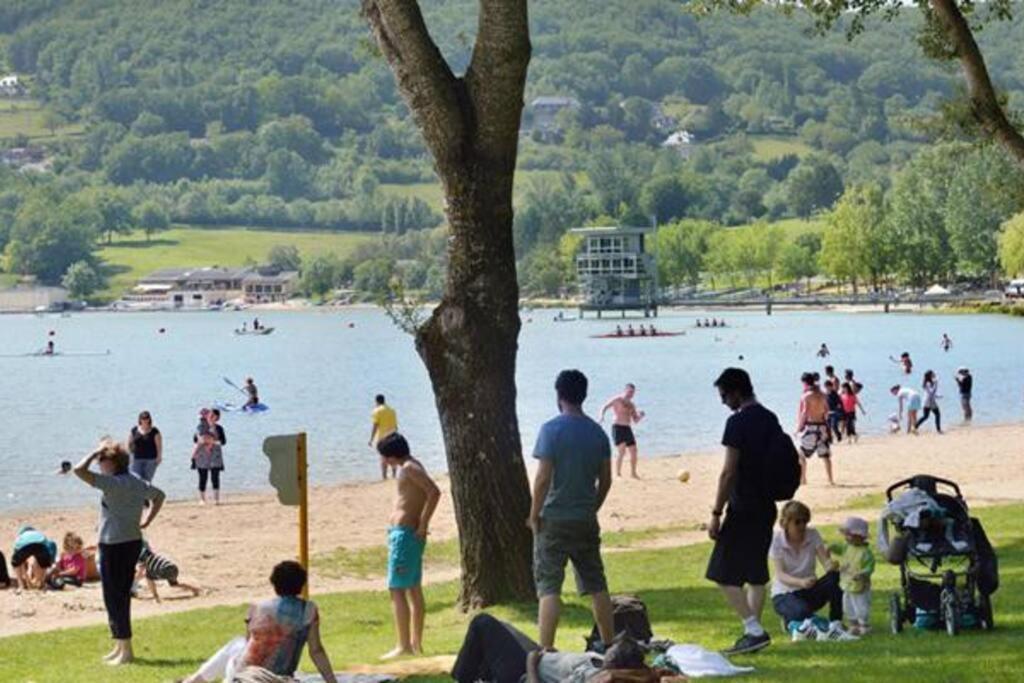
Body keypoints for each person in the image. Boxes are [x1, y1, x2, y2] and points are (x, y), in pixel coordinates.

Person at [529, 369, 614, 651]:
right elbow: (606, 479)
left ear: (559, 395)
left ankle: (546, 650)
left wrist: (533, 514)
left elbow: (542, 479)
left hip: (553, 517)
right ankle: (609, 643)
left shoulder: (551, 430)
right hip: (585, 518)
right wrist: (593, 506)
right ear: (583, 395)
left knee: (549, 586)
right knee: (596, 583)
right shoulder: (597, 432)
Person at [706, 368, 780, 655]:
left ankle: (754, 629)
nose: (723, 401)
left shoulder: (736, 423)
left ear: (737, 391)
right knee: (756, 574)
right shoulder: (769, 418)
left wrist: (716, 512)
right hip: (766, 505)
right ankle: (754, 635)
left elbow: (728, 472)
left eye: (724, 395)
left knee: (722, 572)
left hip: (743, 506)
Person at [73, 440, 165, 665]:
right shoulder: (135, 480)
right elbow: (159, 495)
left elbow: (78, 470)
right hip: (133, 541)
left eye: (102, 461)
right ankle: (120, 646)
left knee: (114, 597)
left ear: (112, 463)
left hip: (113, 545)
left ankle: (127, 651)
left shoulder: (111, 483)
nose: (99, 465)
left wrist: (94, 451)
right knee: (119, 596)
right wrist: (146, 521)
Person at [182, 561, 338, 683]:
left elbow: (248, 643)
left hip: (245, 676)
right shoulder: (308, 610)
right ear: (301, 585)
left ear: (274, 583)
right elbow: (316, 650)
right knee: (237, 646)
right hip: (278, 678)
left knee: (237, 645)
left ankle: (195, 680)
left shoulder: (256, 608)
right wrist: (332, 681)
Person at [377, 433, 441, 659]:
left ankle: (404, 645)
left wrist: (423, 525)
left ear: (391, 455)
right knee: (412, 588)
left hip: (406, 536)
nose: (383, 461)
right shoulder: (408, 466)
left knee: (397, 589)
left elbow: (434, 492)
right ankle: (414, 645)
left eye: (384, 456)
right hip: (402, 534)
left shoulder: (410, 467)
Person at [770, 501, 854, 642]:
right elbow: (780, 574)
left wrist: (831, 564)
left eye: (805, 521)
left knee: (835, 577)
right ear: (786, 523)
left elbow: (825, 562)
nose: (802, 526)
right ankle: (797, 622)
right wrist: (800, 582)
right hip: (785, 593)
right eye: (797, 522)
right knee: (801, 611)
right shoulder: (776, 540)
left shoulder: (812, 534)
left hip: (810, 589)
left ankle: (835, 622)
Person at [830, 517, 875, 636]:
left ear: (860, 536)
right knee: (847, 605)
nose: (846, 538)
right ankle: (853, 624)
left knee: (861, 606)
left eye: (849, 535)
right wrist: (831, 548)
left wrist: (862, 574)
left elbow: (870, 567)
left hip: (860, 585)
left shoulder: (865, 553)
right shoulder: (847, 547)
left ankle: (864, 624)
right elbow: (840, 549)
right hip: (847, 582)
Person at [599, 383, 646, 479]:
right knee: (622, 451)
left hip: (627, 428)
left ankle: (633, 473)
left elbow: (635, 420)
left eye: (632, 392)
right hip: (617, 427)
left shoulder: (632, 405)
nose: (631, 394)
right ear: (625, 390)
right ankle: (618, 474)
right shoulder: (617, 399)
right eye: (629, 391)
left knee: (634, 451)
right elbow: (604, 407)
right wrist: (602, 416)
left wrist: (640, 416)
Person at [795, 372, 834, 486]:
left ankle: (803, 479)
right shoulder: (823, 395)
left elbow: (804, 413)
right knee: (825, 456)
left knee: (801, 454)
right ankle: (830, 479)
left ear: (805, 383)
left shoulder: (806, 396)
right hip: (822, 426)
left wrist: (798, 429)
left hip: (811, 426)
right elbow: (827, 412)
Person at [134, 539, 201, 602]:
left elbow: (140, 573)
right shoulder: (146, 552)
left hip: (165, 569)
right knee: (174, 584)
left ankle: (156, 597)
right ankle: (194, 589)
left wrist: (131, 581)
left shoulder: (141, 556)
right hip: (173, 568)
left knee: (148, 577)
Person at [11, 525, 57, 590]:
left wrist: (27, 580)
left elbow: (20, 563)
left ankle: (21, 585)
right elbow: (47, 557)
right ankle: (41, 583)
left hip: (24, 545)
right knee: (44, 564)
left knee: (15, 563)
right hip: (40, 544)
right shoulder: (38, 534)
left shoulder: (21, 537)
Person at [369, 394, 399, 479]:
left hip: (383, 438)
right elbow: (396, 426)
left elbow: (375, 425)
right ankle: (394, 475)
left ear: (377, 401)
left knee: (383, 457)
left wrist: (371, 439)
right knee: (393, 455)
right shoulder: (392, 410)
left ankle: (384, 476)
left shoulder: (377, 411)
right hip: (393, 436)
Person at [128, 411, 162, 483]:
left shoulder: (154, 431)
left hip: (150, 460)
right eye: (143, 418)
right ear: (140, 420)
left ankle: (146, 494)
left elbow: (159, 445)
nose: (145, 420)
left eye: (147, 418)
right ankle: (137, 494)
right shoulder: (134, 430)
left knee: (147, 481)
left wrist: (159, 457)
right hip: (136, 459)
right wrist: (129, 456)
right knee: (136, 480)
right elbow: (129, 444)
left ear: (149, 419)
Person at [192, 430, 224, 505]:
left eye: (209, 437)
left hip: (215, 463)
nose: (207, 439)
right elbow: (193, 456)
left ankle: (216, 499)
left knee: (215, 479)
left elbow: (219, 457)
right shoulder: (199, 446)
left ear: (213, 438)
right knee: (202, 479)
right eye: (204, 438)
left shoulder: (217, 446)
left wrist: (220, 465)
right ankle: (202, 499)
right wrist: (198, 446)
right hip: (202, 463)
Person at [824, 380, 844, 444]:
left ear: (831, 386)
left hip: (835, 413)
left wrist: (838, 408)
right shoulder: (825, 394)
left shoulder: (835, 394)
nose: (827, 388)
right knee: (828, 427)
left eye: (829, 386)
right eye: (826, 387)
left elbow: (839, 403)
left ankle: (839, 436)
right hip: (828, 413)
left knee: (834, 426)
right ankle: (830, 440)